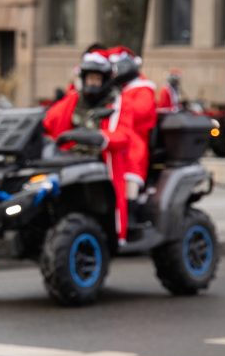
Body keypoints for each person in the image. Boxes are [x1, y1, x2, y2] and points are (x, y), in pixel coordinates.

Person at [43, 46, 143, 242]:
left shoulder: (117, 104)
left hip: (101, 159)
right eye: (89, 79)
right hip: (71, 158)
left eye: (97, 79)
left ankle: (115, 230)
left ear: (105, 80)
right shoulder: (73, 100)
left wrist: (100, 137)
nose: (92, 83)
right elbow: (50, 119)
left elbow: (123, 134)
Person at [108, 46, 157, 226]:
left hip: (134, 141)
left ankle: (131, 210)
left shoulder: (143, 89)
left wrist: (118, 102)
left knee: (130, 169)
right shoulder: (120, 91)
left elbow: (141, 112)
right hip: (117, 137)